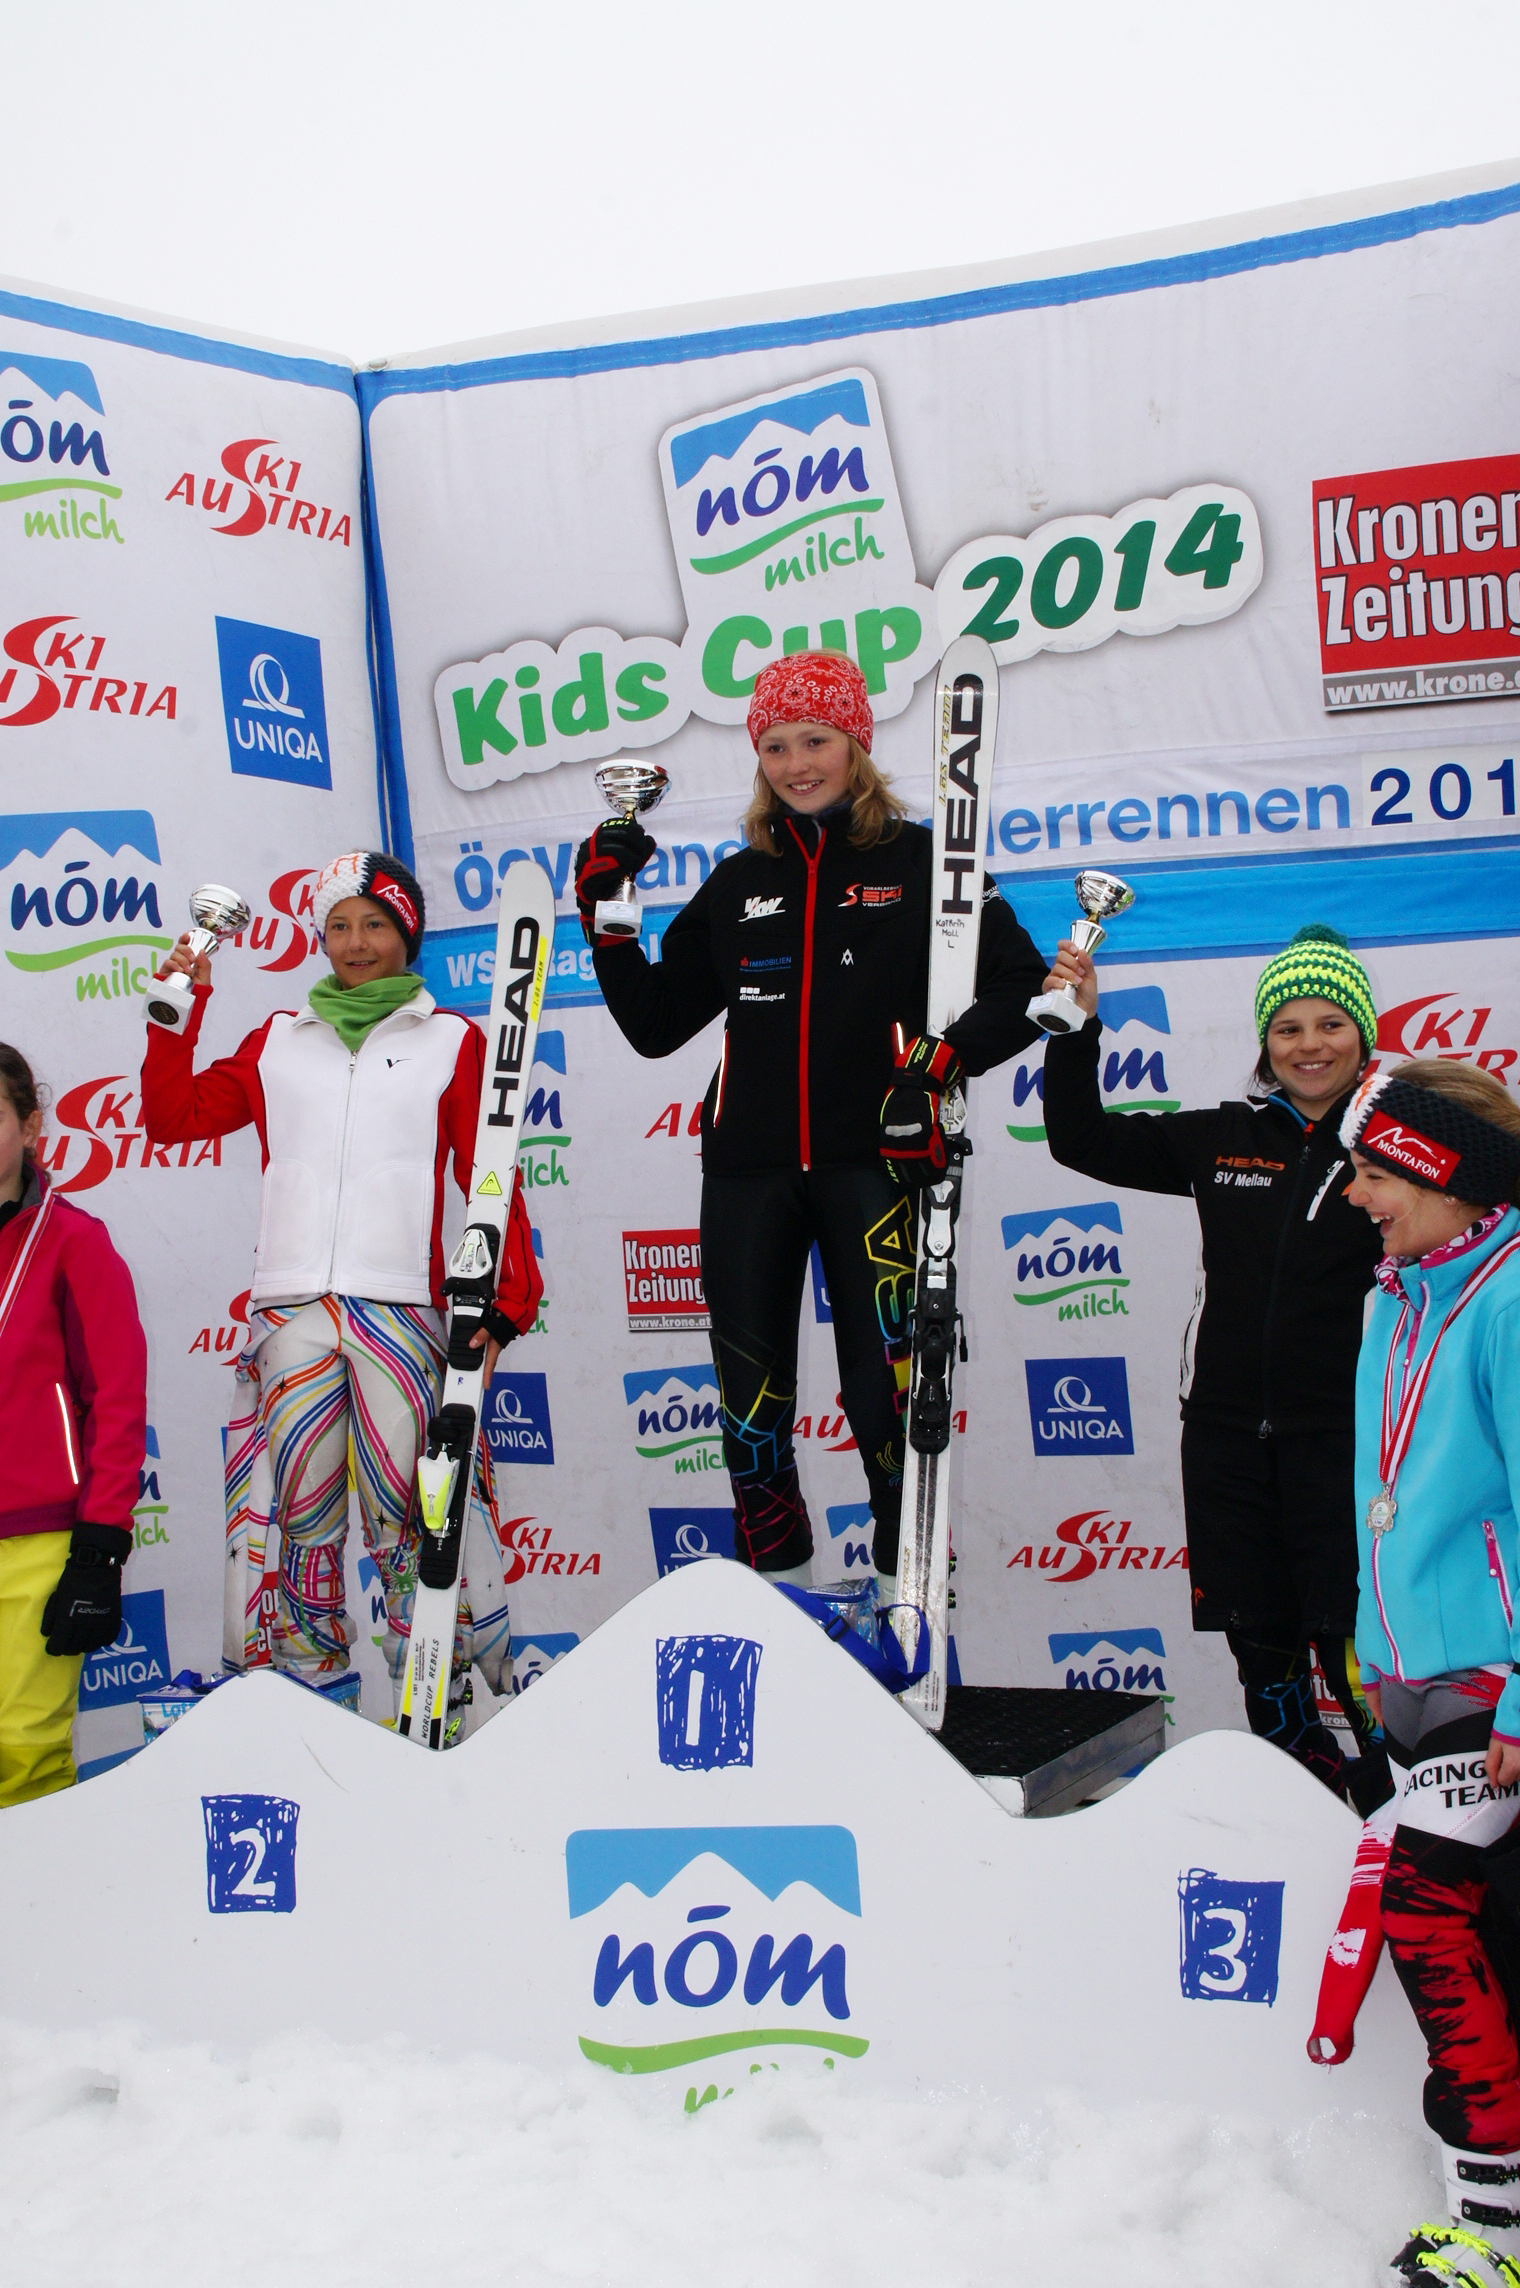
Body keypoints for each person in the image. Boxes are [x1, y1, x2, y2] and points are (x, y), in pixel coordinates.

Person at [574, 649, 1047, 1593]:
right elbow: (656, 1025)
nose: (797, 764)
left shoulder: (925, 862)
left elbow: (1022, 987)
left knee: (885, 1398)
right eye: (776, 745)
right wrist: (607, 914)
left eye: (817, 740)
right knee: (750, 1411)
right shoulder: (740, 880)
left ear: (856, 744)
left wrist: (936, 1063)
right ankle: (778, 1591)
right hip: (747, 1174)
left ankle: (908, 1592)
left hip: (875, 1167)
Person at [140, 850, 542, 1734]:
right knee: (301, 1523)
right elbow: (171, 1118)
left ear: (408, 934)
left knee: (410, 1521)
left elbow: (491, 1178)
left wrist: (505, 1306)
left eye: (375, 924)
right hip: (291, 1313)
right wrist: (177, 1011)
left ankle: (433, 1716)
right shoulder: (278, 1042)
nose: (356, 943)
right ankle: (313, 1717)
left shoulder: (452, 1040)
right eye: (338, 925)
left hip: (398, 1311)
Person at [1039, 921, 1389, 1810]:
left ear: (1364, 1035)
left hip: (1345, 1441)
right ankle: (1307, 1819)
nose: (1310, 1046)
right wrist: (1077, 1029)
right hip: (1227, 1439)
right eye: (1288, 1028)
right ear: (1265, 1044)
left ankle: (1401, 1829)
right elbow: (1081, 1141)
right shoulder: (1224, 1136)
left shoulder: (1398, 1145)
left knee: (1355, 1652)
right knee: (1262, 1651)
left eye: (1330, 1024)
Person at [1341, 1059, 1520, 2249]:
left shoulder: (1504, 1300)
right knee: (1479, 1925)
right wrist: (1370, 1645)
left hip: (1487, 1674)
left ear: (1440, 1171)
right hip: (1408, 1672)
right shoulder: (1391, 1297)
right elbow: (1387, 1491)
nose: (1354, 1194)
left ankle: (1486, 2217)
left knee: (1424, 1918)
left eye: (1372, 1171)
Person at [0, 1043, 147, 1806]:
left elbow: (116, 1400)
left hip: (34, 1540)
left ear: (30, 1128)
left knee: (21, 1751)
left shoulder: (74, 1242)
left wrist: (98, 1549)